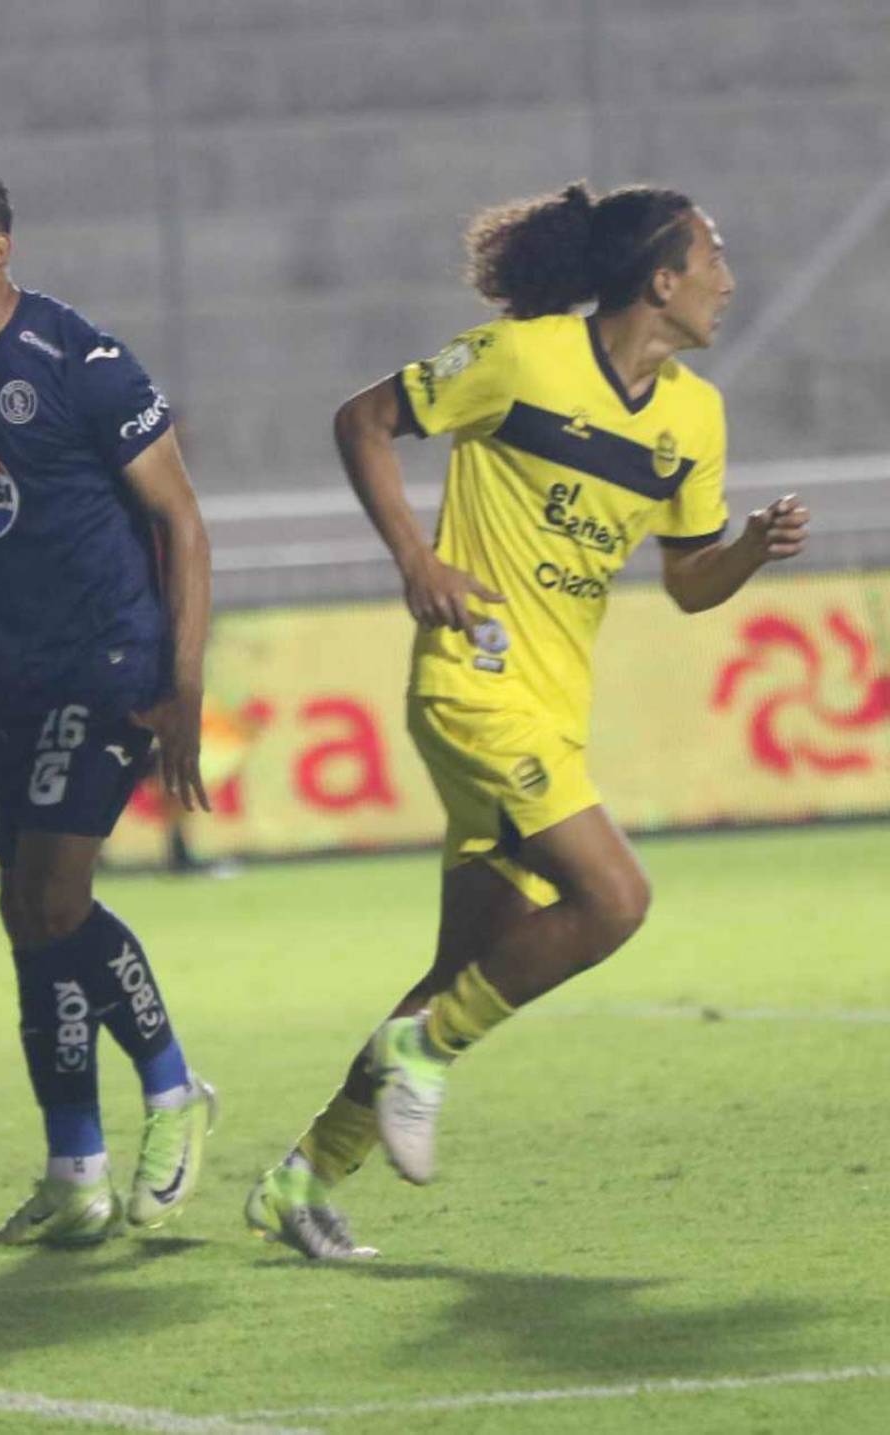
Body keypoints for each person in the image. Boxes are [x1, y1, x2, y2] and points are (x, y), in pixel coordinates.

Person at [246, 180, 810, 1259]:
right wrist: (418, 560)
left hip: (553, 710)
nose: (728, 282)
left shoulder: (695, 416)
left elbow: (688, 581)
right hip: (473, 686)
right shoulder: (520, 360)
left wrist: (748, 548)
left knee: (470, 959)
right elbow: (361, 420)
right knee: (615, 898)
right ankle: (426, 1051)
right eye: (714, 258)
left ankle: (305, 1177)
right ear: (661, 277)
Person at [0, 161, 216, 1246]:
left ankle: (175, 1092)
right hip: (19, 680)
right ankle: (73, 1168)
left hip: (112, 661)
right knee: (24, 915)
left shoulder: (79, 358)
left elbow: (180, 520)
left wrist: (183, 684)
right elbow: (0, 550)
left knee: (57, 895)